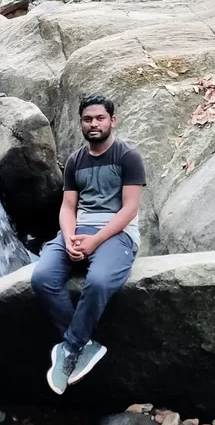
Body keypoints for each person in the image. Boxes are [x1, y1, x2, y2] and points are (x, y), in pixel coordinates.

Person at [31, 94, 146, 395]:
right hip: (79, 230)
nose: (93, 124)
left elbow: (130, 208)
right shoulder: (75, 161)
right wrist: (69, 237)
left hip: (116, 234)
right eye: (87, 119)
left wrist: (96, 240)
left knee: (97, 281)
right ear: (81, 123)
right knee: (42, 278)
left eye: (100, 118)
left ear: (112, 120)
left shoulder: (128, 157)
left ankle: (69, 348)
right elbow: (68, 206)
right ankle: (87, 345)